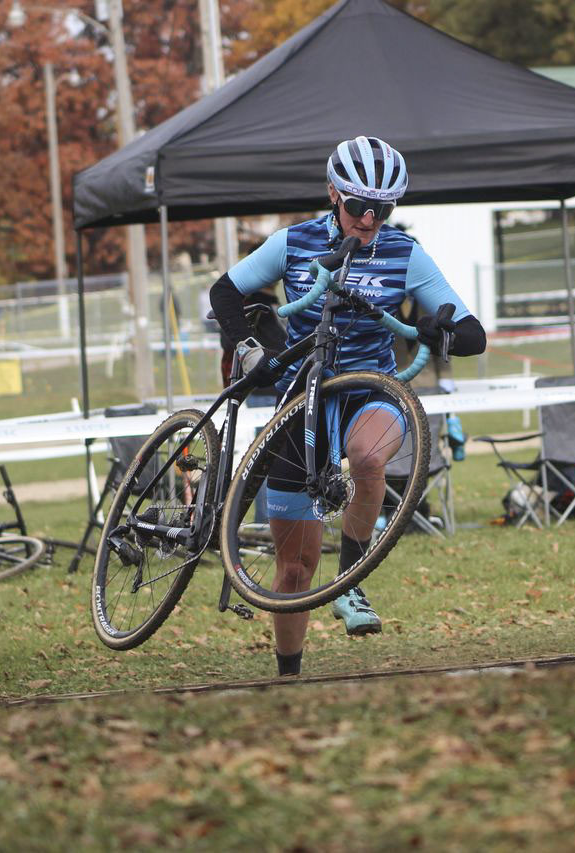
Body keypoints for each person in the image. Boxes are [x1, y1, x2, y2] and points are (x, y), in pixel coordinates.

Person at [208, 136, 487, 677]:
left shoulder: (404, 252)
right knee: (294, 570)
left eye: (383, 209)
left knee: (366, 457)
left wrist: (442, 329)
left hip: (371, 389)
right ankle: (290, 673)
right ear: (333, 195)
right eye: (359, 206)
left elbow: (473, 333)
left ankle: (351, 582)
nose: (370, 218)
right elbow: (225, 292)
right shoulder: (293, 242)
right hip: (301, 399)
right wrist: (246, 348)